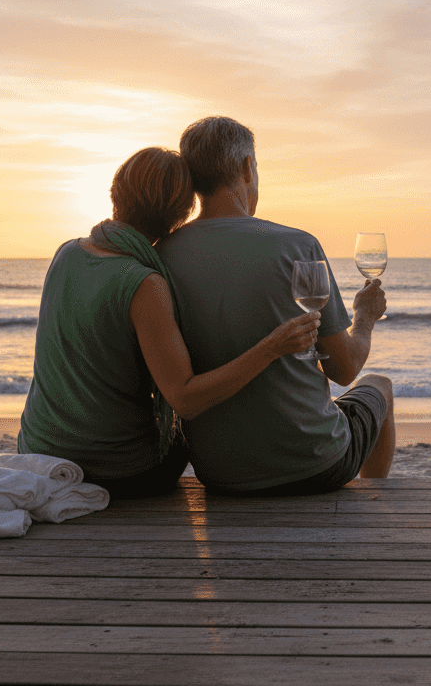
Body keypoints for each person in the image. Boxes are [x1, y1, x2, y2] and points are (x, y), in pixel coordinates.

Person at [16, 147, 322, 498]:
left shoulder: (67, 252)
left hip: (37, 453)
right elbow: (185, 399)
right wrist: (272, 347)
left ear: (116, 190)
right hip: (117, 472)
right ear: (180, 215)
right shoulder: (144, 283)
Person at [157, 117, 396, 495]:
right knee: (378, 386)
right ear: (245, 168)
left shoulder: (162, 255)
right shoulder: (297, 246)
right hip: (314, 463)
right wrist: (364, 317)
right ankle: (373, 505)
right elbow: (344, 368)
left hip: (219, 472)